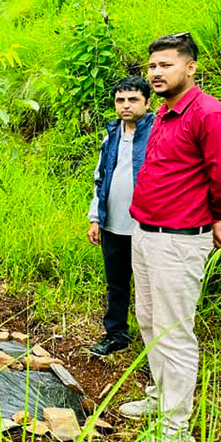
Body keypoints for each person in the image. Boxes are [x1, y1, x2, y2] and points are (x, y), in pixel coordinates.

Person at [118, 33, 221, 442]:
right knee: (150, 322)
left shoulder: (210, 115)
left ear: (190, 68)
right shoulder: (165, 114)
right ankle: (159, 398)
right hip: (146, 233)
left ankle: (174, 429)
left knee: (174, 332)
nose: (156, 73)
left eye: (166, 65)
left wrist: (214, 215)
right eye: (152, 66)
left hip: (179, 240)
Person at [86, 76, 153, 356]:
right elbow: (100, 177)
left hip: (147, 225)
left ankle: (156, 345)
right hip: (113, 222)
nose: (126, 105)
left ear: (148, 102)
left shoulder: (157, 131)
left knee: (151, 287)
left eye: (133, 99)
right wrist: (95, 218)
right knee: (116, 283)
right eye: (120, 100)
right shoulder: (112, 133)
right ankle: (116, 335)